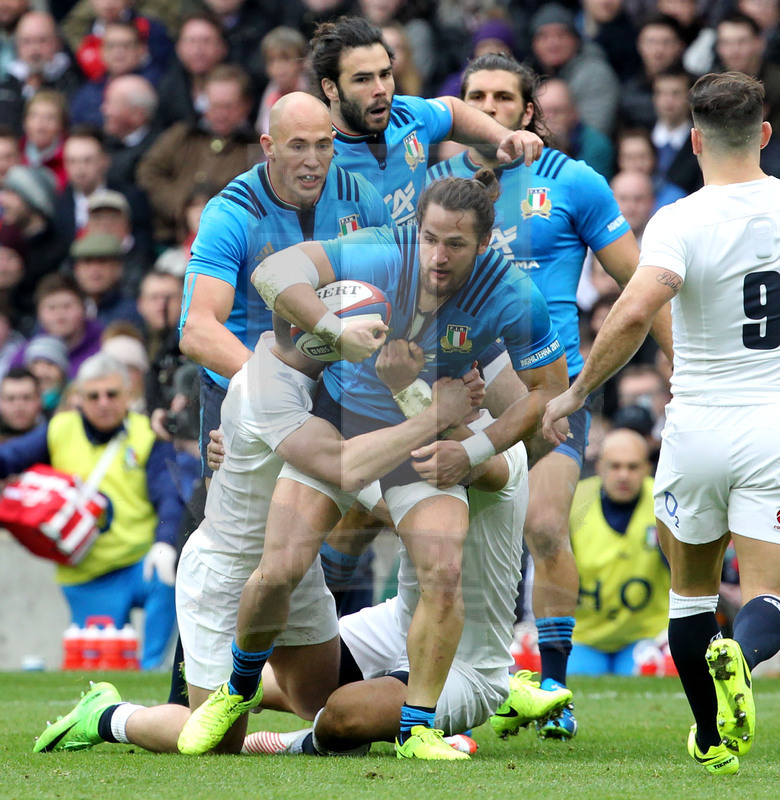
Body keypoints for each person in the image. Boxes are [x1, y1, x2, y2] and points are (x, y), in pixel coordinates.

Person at [180, 170, 567, 761]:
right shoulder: (381, 250)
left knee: (441, 569)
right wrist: (335, 328)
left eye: (456, 244)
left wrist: (473, 449)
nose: (437, 256)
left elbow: (548, 392)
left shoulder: (513, 295)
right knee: (280, 566)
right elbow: (273, 273)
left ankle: (417, 730)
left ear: (484, 245)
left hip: (419, 443)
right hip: (345, 431)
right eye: (429, 238)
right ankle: (237, 689)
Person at [31, 319, 477, 755]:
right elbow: (349, 469)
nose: (365, 336)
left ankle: (243, 692)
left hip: (291, 568)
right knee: (215, 745)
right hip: (224, 575)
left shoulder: (315, 380)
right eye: (346, 326)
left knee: (323, 703)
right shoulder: (266, 388)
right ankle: (109, 716)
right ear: (310, 336)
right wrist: (439, 419)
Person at [425, 52, 672, 740]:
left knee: (541, 524)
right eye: (477, 95)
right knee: (448, 531)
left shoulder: (575, 182)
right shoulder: (436, 186)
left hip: (550, 386)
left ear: (529, 112)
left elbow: (643, 280)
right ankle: (455, 680)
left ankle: (554, 686)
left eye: (505, 96)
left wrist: (678, 361)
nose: (491, 106)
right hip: (459, 384)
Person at [543, 71, 780, 776]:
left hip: (697, 425)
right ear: (764, 134)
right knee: (768, 590)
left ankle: (709, 733)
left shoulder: (678, 220)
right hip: (770, 421)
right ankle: (748, 650)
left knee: (691, 594)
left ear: (698, 141)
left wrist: (580, 388)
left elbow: (637, 308)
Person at [177, 91, 391, 477]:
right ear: (268, 147)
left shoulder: (360, 199)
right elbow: (196, 329)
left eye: (323, 145)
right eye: (298, 146)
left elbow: (401, 286)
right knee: (240, 525)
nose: (313, 161)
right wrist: (268, 391)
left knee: (344, 517)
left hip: (333, 381)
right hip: (243, 377)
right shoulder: (232, 212)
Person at [0, 352, 183, 668]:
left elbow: (169, 492)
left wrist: (165, 542)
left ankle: (154, 676)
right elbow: (10, 457)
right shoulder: (59, 429)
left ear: (128, 394)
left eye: (112, 394)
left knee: (169, 577)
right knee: (100, 670)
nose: (103, 402)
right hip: (85, 574)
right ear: (78, 398)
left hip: (139, 562)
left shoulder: (148, 433)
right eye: (93, 395)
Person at [309, 16, 543, 225]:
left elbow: (453, 111)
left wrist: (503, 135)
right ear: (331, 88)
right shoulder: (311, 157)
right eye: (362, 79)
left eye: (385, 74)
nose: (380, 89)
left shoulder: (408, 116)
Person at [568, 428, 669, 675]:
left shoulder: (665, 502)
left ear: (647, 468)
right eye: (615, 466)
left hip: (647, 637)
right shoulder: (572, 500)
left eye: (632, 467)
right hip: (583, 636)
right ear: (600, 466)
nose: (623, 475)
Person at [137, 63, 256, 244]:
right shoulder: (182, 135)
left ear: (246, 105)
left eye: (229, 106)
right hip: (171, 238)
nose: (221, 114)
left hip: (228, 243)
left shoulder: (256, 147)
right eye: (215, 106)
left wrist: (209, 214)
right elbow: (148, 171)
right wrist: (182, 207)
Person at [0, 365, 43, 441]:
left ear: (39, 400)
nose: (19, 406)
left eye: (26, 398)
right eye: (11, 399)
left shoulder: (52, 436)